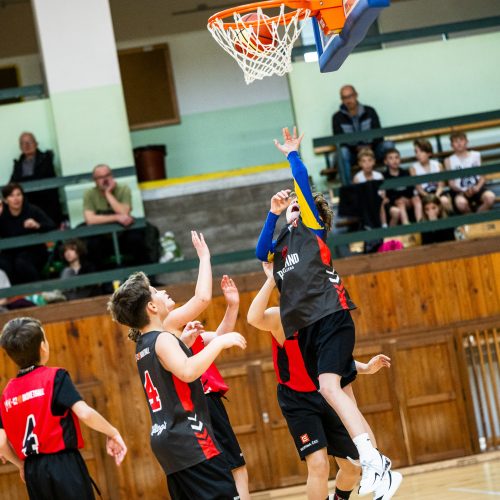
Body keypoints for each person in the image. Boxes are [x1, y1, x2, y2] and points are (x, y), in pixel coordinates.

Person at [256, 127, 393, 496]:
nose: (294, 209)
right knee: (338, 391)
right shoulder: (283, 246)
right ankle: (375, 464)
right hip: (309, 327)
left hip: (331, 315)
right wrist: (272, 213)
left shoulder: (313, 231)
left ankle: (374, 462)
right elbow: (260, 252)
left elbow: (302, 183)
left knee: (332, 389)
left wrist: (292, 155)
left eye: (299, 206)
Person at [107, 231, 246, 500]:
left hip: (167, 441)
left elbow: (170, 371)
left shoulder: (144, 345)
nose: (161, 292)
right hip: (190, 436)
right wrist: (219, 342)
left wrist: (184, 342)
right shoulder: (161, 339)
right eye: (155, 292)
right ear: (152, 307)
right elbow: (187, 371)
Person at [247, 262, 402, 500]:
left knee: (353, 467)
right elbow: (253, 318)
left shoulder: (320, 318)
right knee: (318, 464)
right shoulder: (281, 317)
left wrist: (364, 368)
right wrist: (270, 279)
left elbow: (331, 361)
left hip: (327, 394)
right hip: (298, 399)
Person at [0, 317, 127, 499]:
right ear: (43, 346)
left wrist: (21, 465)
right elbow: (85, 413)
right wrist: (112, 432)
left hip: (33, 472)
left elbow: (1, 443)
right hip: (63, 464)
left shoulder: (7, 393)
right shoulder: (54, 377)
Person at [180, 275, 250, 500]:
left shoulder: (186, 334)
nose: (165, 294)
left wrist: (233, 305)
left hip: (201, 405)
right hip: (200, 402)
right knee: (234, 466)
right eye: (159, 293)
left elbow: (220, 336)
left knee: (230, 466)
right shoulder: (168, 340)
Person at [83, 164, 157, 269]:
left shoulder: (123, 189)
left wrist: (108, 194)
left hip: (123, 234)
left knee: (137, 239)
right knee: (91, 245)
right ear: (94, 180)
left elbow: (124, 212)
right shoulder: (89, 193)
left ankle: (144, 274)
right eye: (100, 177)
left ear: (112, 176)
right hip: (102, 237)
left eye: (107, 175)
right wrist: (117, 218)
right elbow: (90, 219)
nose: (105, 179)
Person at [332, 85, 394, 185]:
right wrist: (357, 149)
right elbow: (339, 141)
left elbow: (379, 134)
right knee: (342, 152)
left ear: (356, 95)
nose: (348, 100)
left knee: (388, 145)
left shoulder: (370, 111)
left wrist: (368, 147)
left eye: (350, 96)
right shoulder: (337, 117)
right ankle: (348, 189)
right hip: (353, 155)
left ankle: (391, 183)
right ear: (341, 100)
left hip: (372, 150)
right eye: (344, 98)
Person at [0, 183, 56, 284]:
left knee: (22, 262)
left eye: (19, 194)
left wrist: (37, 225)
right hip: (10, 252)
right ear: (5, 200)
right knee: (4, 263)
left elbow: (51, 224)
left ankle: (38, 289)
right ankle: (15, 292)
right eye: (11, 196)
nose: (16, 199)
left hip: (34, 250)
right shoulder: (2, 214)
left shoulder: (32, 210)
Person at [10, 132, 63, 225]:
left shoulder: (46, 159)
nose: (26, 145)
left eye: (29, 142)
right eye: (23, 143)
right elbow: (12, 184)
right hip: (27, 205)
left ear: (36, 144)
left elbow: (42, 177)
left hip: (46, 202)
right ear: (20, 147)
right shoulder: (18, 165)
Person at [444, 132, 495, 214]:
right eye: (456, 141)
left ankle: (477, 217)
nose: (459, 143)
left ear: (466, 142)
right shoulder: (448, 160)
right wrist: (463, 191)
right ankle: (471, 218)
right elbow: (451, 183)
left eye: (461, 140)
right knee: (461, 204)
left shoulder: (476, 155)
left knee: (490, 197)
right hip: (460, 191)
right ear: (451, 145)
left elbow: (482, 177)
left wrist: (477, 188)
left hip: (477, 188)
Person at [409, 139, 452, 213]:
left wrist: (436, 196)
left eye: (421, 151)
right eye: (416, 152)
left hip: (437, 192)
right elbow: (419, 189)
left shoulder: (438, 165)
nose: (418, 154)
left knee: (444, 200)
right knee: (421, 203)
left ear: (429, 153)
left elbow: (441, 186)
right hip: (423, 194)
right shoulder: (413, 168)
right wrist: (429, 198)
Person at [382, 148, 423, 225]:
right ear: (385, 161)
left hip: (408, 199)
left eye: (397, 157)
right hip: (394, 201)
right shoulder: (384, 176)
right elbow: (388, 193)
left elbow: (411, 188)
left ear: (400, 159)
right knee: (400, 202)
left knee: (416, 199)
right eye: (391, 158)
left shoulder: (406, 173)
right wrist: (399, 198)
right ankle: (406, 224)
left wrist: (407, 198)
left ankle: (420, 223)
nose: (394, 160)